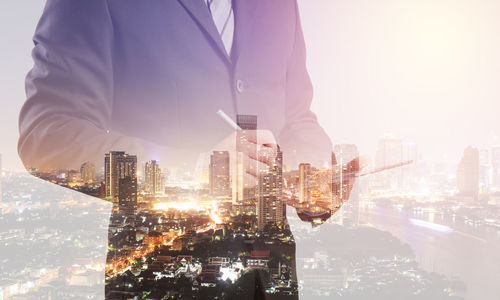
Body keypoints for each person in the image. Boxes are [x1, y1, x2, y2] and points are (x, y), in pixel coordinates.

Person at [18, 0, 358, 299]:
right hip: (164, 278)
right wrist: (196, 171)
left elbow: (297, 117)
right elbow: (48, 137)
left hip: (271, 279)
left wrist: (313, 176)